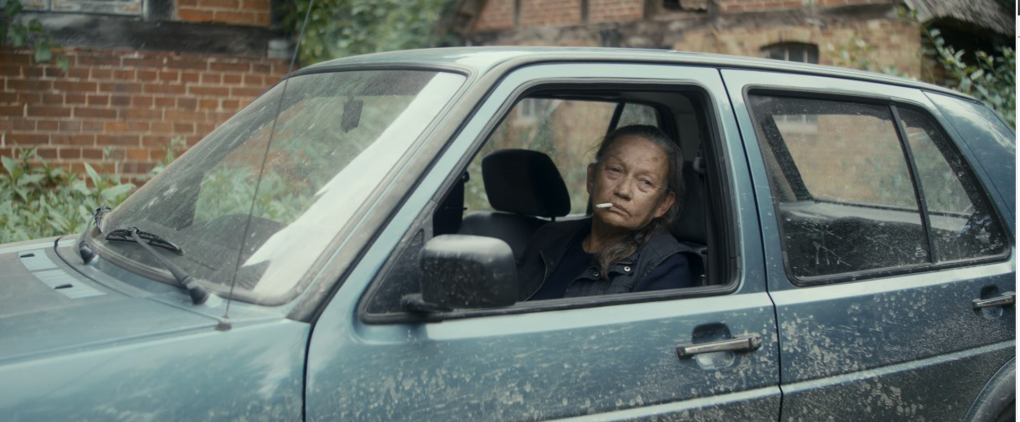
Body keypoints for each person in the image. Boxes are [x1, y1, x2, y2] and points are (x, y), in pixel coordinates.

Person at [518, 125, 695, 301]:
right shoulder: (549, 237)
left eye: (645, 182)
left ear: (663, 204)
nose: (623, 190)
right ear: (592, 178)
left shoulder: (665, 265)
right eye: (615, 170)